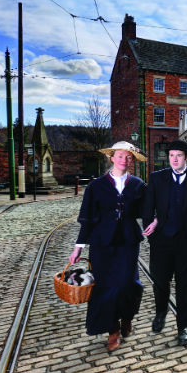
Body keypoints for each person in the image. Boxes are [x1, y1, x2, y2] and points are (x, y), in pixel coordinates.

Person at [68, 141, 147, 351]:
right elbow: (87, 219)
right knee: (104, 288)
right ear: (111, 158)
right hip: (101, 244)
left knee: (128, 284)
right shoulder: (95, 186)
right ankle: (113, 330)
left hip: (128, 243)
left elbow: (149, 210)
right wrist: (78, 248)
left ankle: (127, 317)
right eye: (120, 156)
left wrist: (155, 221)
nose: (125, 160)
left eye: (129, 157)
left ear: (133, 161)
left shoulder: (139, 185)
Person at [141, 140, 187, 346]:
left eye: (178, 155)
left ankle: (183, 327)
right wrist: (151, 234)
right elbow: (147, 209)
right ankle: (161, 313)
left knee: (185, 286)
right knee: (160, 282)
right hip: (161, 241)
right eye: (171, 155)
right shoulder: (156, 178)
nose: (174, 159)